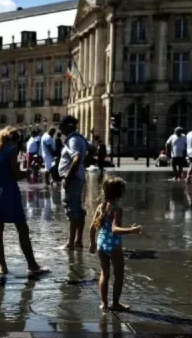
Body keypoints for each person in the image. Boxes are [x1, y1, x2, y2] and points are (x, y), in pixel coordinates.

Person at [0, 126, 50, 277]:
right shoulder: (11, 150)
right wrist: (30, 171)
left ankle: (2, 267)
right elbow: (16, 174)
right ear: (13, 139)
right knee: (22, 228)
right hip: (9, 190)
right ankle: (32, 265)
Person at [88, 176, 142, 312]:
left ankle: (104, 303)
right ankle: (116, 303)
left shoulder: (101, 207)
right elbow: (115, 230)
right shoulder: (117, 209)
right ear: (120, 193)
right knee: (119, 275)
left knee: (104, 273)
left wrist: (92, 243)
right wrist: (132, 230)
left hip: (101, 243)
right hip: (113, 246)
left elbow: (92, 227)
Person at [57, 115, 90, 250]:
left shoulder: (73, 140)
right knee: (78, 210)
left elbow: (76, 159)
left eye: (62, 126)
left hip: (73, 178)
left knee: (72, 210)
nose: (60, 129)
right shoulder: (81, 138)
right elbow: (92, 150)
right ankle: (78, 241)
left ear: (68, 126)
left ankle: (71, 243)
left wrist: (68, 178)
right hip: (78, 177)